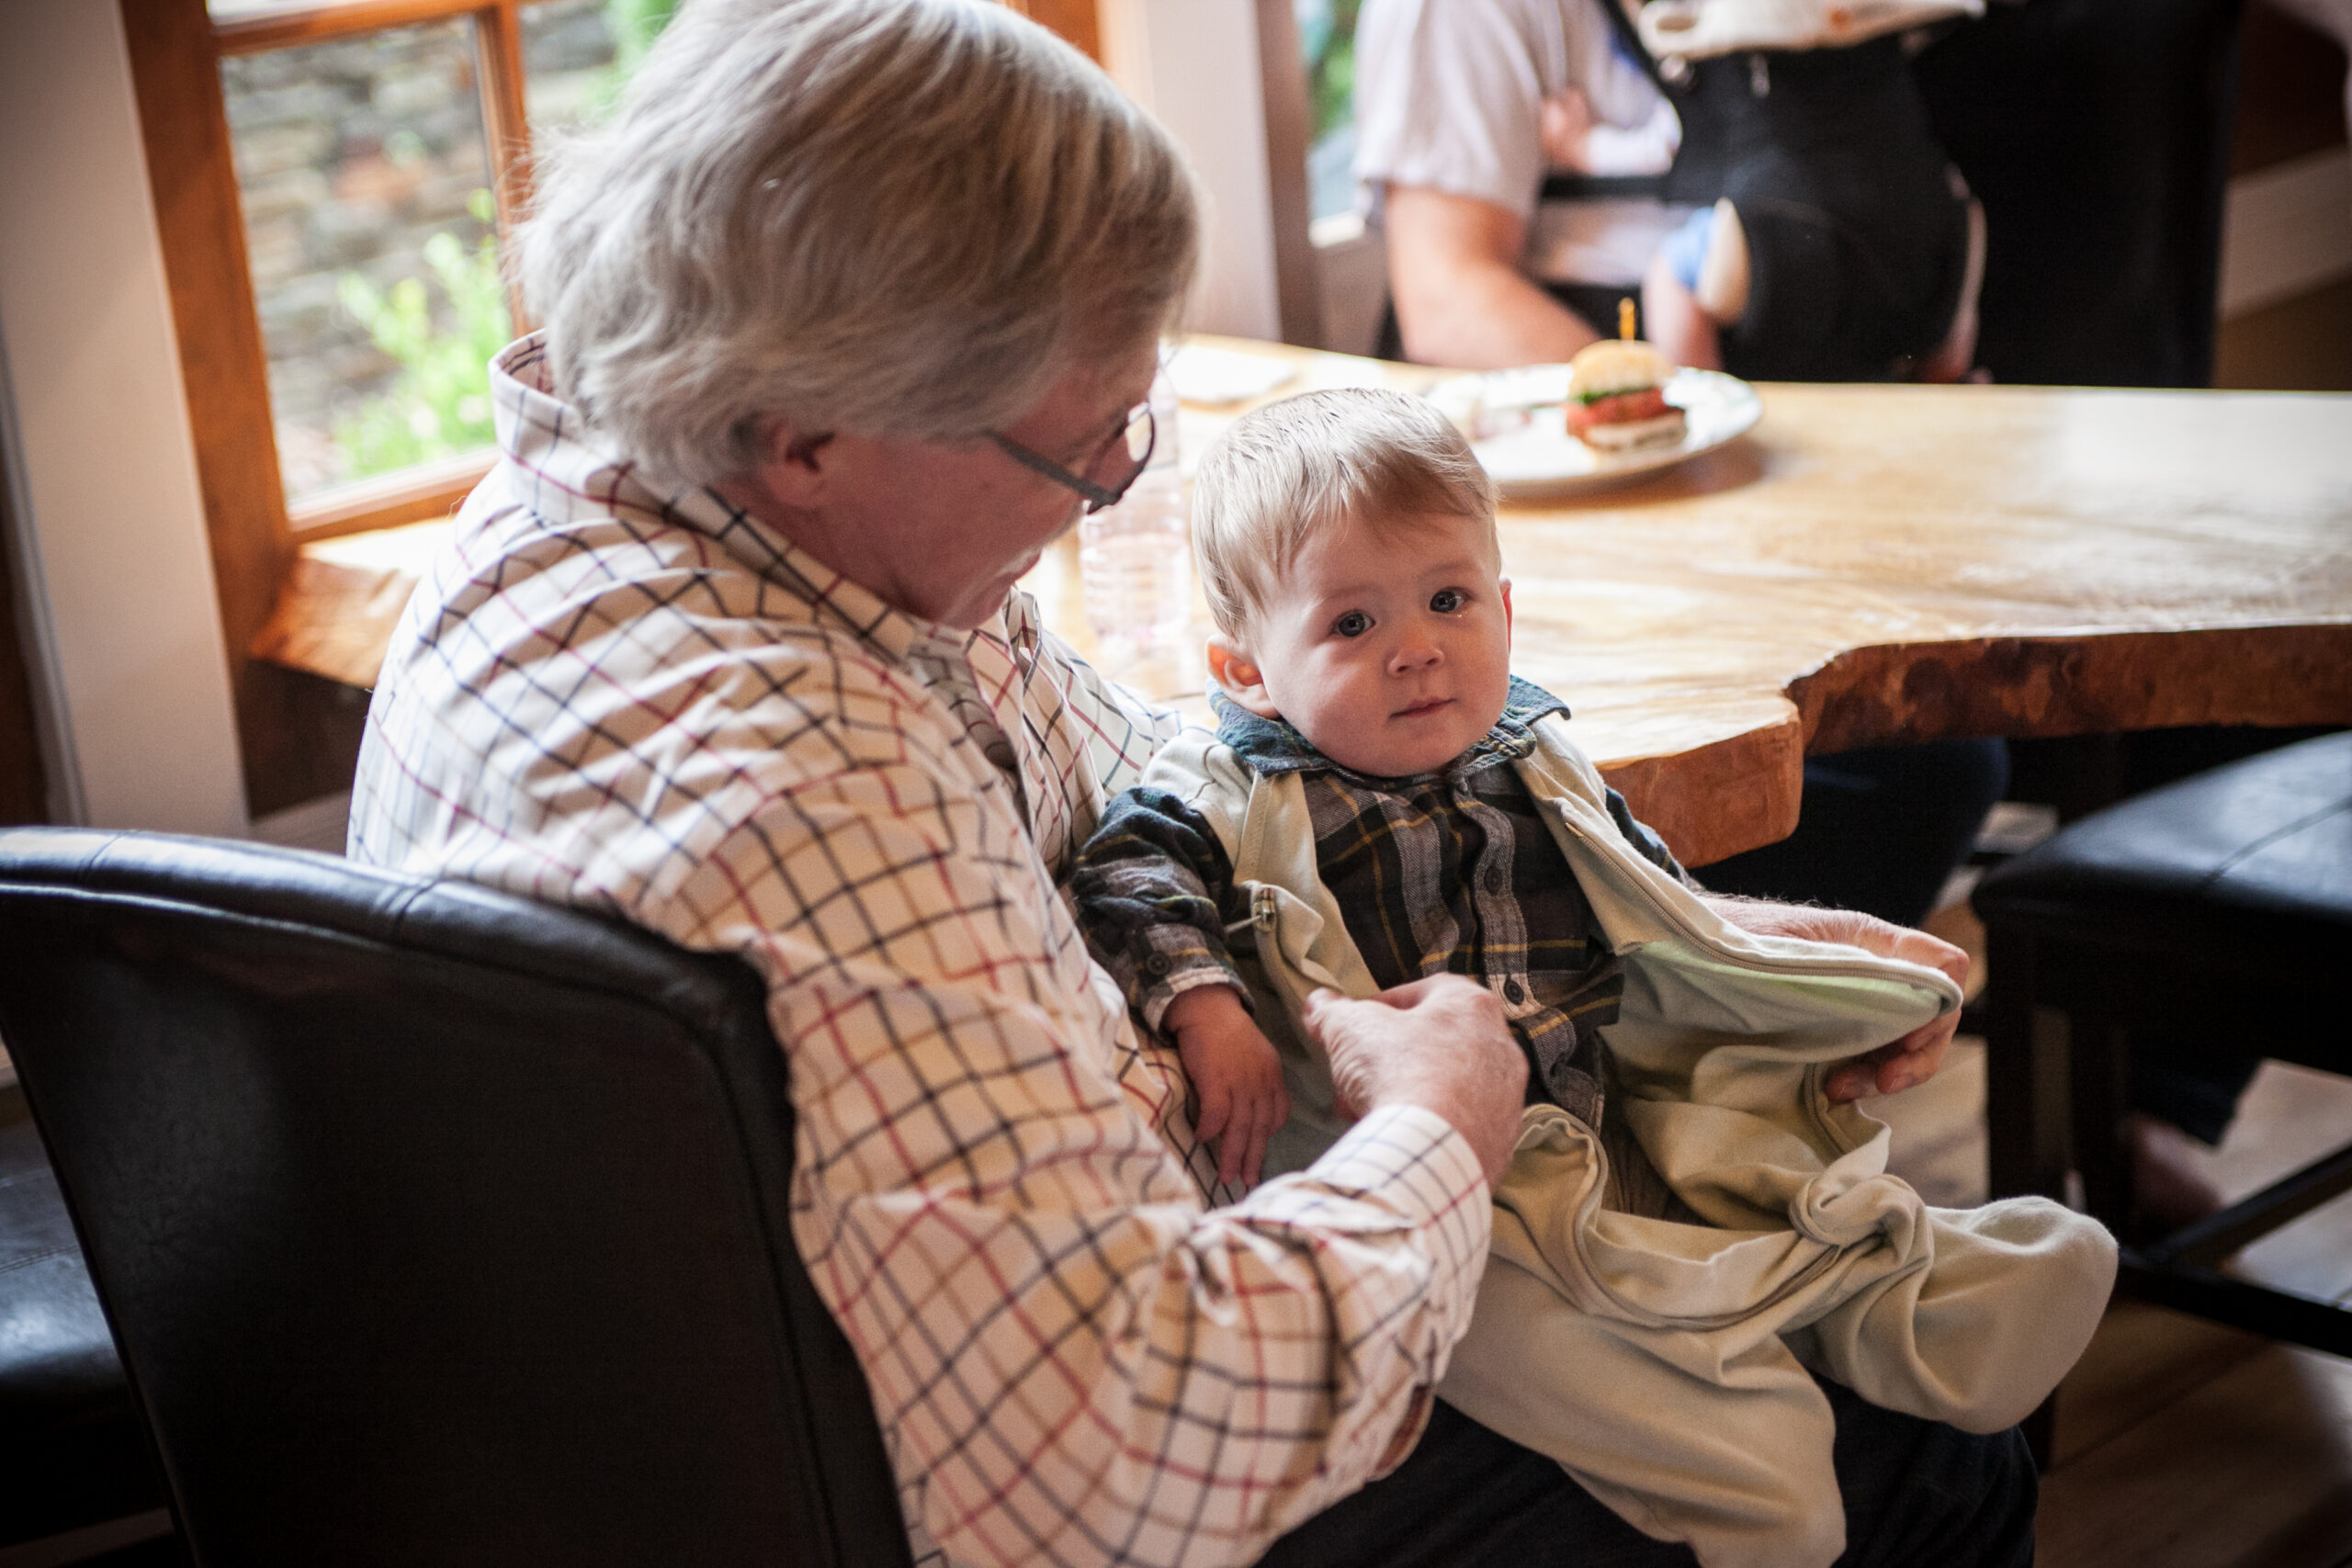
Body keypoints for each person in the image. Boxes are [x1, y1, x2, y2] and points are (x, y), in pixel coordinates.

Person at [348, 3, 2040, 1563]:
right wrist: (1439, 1128)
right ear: (808, 429)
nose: (1104, 488)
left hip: (1001, 1356)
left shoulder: (683, 524)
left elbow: (1170, 787)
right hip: (1055, 1478)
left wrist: (1686, 938)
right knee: (1923, 1458)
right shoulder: (795, 772)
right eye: (1079, 445)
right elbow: (1130, 1456)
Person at [1069, 389, 2110, 1568]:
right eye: (1351, 624)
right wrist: (1204, 1004)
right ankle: (1742, 1477)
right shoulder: (1227, 790)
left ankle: (1892, 1303)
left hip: (1609, 1107)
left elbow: (1656, 900)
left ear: (1505, 609)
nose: (1417, 648)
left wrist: (1802, 978)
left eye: (1448, 600)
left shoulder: (1537, 754)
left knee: (1767, 1197)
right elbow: (1126, 868)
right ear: (1248, 671)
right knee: (1603, 1355)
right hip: (1447, 1198)